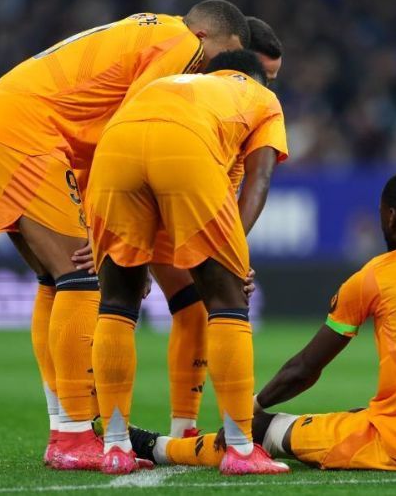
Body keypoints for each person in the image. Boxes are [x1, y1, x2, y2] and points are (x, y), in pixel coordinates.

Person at [0, 0, 250, 470]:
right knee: (82, 277)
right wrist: (108, 229)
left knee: (56, 279)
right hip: (25, 131)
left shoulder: (149, 31)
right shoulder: (183, 48)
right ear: (206, 35)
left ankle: (65, 429)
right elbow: (128, 130)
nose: (221, 72)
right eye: (226, 55)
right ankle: (74, 436)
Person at [128, 169, 396, 471]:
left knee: (257, 429)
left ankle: (158, 447)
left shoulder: (378, 273)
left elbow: (304, 368)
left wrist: (253, 405)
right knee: (357, 416)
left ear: (390, 218)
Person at [86, 50, 290, 475]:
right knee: (227, 299)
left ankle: (116, 445)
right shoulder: (261, 97)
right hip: (183, 146)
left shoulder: (173, 85)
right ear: (255, 76)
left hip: (115, 143)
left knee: (118, 304)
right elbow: (260, 178)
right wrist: (234, 249)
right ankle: (239, 446)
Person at [154, 16, 285, 440]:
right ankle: (84, 425)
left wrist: (227, 250)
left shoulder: (220, 104)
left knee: (192, 308)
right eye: (263, 75)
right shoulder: (186, 79)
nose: (266, 87)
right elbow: (256, 181)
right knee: (106, 295)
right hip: (151, 189)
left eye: (273, 78)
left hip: (170, 198)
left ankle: (179, 430)